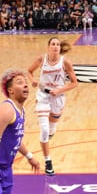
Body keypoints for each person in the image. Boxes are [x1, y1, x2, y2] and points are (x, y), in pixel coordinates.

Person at [26, 37, 79, 176]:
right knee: (44, 130)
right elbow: (29, 71)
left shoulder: (65, 62)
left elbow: (74, 83)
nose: (55, 46)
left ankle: (47, 138)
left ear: (59, 48)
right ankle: (48, 161)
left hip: (58, 97)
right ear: (48, 47)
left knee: (51, 129)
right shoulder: (41, 59)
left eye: (57, 45)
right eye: (53, 44)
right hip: (43, 96)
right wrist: (32, 81)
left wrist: (59, 90)